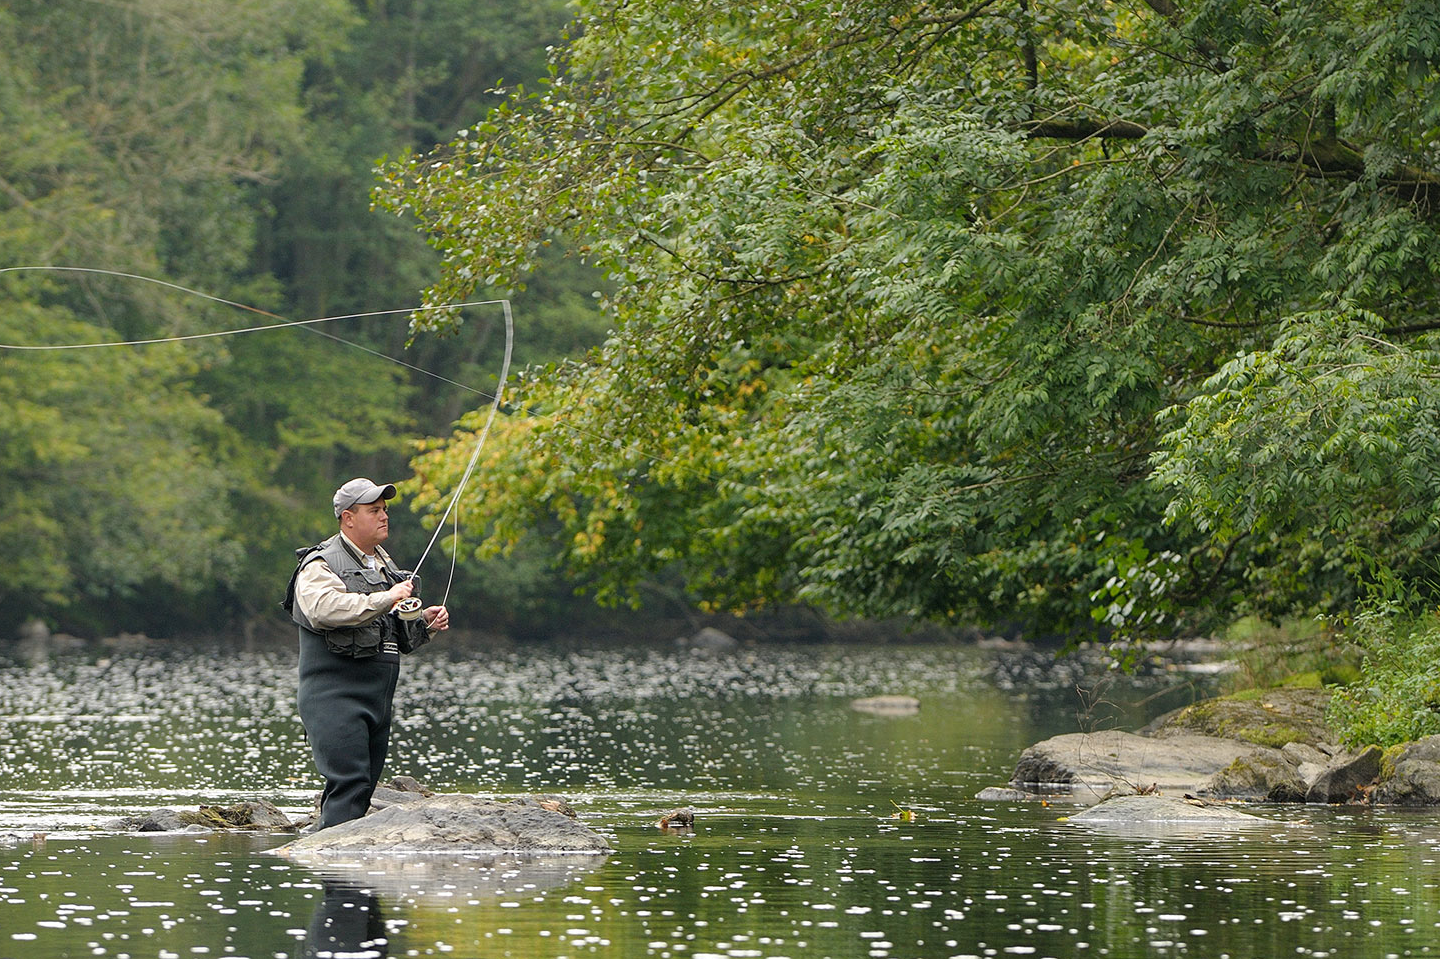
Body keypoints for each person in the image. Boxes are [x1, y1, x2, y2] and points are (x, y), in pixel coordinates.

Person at [282, 477, 450, 830]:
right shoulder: (320, 564)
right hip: (334, 697)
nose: (384, 516)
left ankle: (340, 875)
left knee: (362, 790)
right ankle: (339, 878)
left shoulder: (386, 568)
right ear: (348, 518)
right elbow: (323, 609)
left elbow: (396, 635)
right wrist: (387, 598)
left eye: (384, 510)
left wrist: (425, 623)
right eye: (374, 510)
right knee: (350, 785)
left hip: (376, 701)